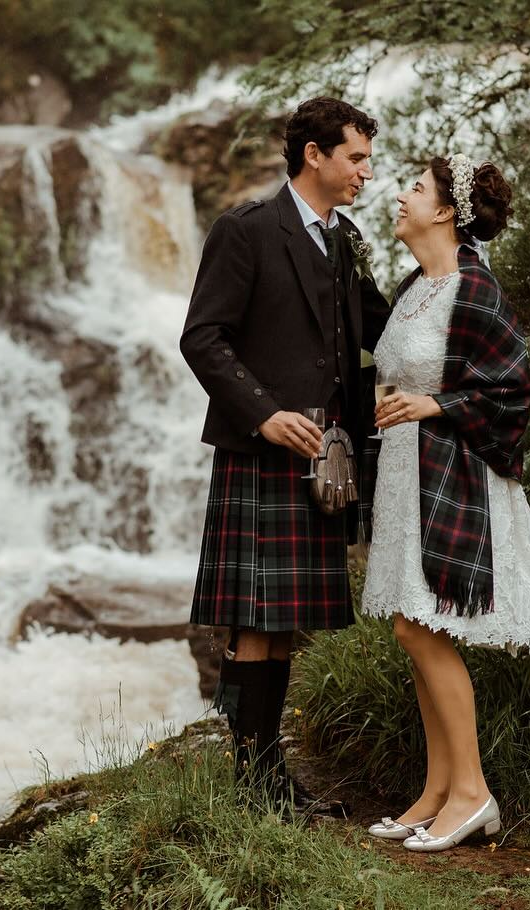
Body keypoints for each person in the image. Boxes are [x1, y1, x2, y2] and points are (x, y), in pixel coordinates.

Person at [180, 97, 391, 809]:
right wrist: (264, 413)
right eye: (356, 157)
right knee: (252, 621)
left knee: (279, 624)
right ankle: (254, 784)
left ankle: (267, 781)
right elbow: (203, 338)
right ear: (315, 155)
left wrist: (452, 289)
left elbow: (377, 324)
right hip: (264, 447)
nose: (366, 170)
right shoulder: (246, 230)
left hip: (326, 456)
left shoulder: (343, 240)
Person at [360, 154, 530, 850]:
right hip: (403, 474)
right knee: (415, 631)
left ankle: (473, 793)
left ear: (446, 210)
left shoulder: (473, 289)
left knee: (421, 629)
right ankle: (437, 791)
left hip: (452, 478)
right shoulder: (413, 285)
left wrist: (434, 403)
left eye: (414, 189)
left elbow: (512, 391)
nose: (399, 196)